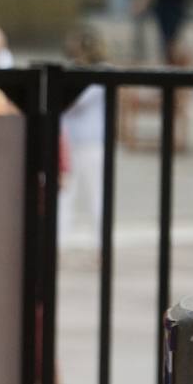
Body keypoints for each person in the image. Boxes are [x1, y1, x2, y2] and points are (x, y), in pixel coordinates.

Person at [59, 26, 108, 247]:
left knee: (96, 194)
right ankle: (59, 242)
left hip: (91, 141)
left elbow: (75, 101)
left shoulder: (100, 72)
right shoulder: (73, 71)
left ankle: (101, 245)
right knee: (65, 192)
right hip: (69, 139)